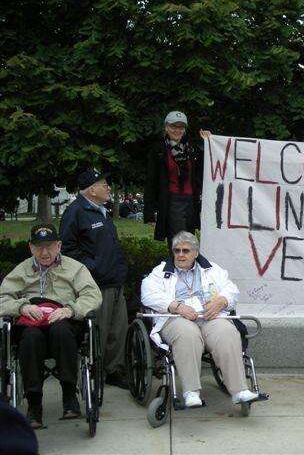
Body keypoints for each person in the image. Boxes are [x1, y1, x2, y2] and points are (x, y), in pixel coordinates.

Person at [140, 231, 259, 407]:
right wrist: (176, 306)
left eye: (186, 251)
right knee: (187, 334)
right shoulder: (161, 272)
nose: (181, 255)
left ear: (196, 253)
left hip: (209, 317)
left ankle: (239, 390)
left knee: (227, 332)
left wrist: (221, 300)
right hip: (176, 318)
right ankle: (191, 392)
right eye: (177, 250)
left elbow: (232, 289)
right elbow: (148, 294)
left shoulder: (212, 269)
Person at [0, 224, 102, 429]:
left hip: (64, 320)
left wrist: (71, 310)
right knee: (30, 338)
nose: (44, 252)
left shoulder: (75, 268)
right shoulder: (21, 270)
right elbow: (3, 298)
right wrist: (22, 307)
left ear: (59, 246)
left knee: (61, 331)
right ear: (31, 248)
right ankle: (34, 404)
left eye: (49, 246)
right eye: (39, 247)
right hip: (31, 322)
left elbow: (92, 295)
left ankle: (69, 395)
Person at [59, 168, 129, 389]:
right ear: (91, 190)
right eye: (104, 185)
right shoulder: (75, 212)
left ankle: (114, 370)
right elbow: (67, 250)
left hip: (115, 279)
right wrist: (93, 268)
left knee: (118, 330)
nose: (108, 188)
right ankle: (96, 371)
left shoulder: (100, 210)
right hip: (96, 283)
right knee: (100, 330)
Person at [144, 111, 209, 251]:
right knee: (179, 241)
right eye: (173, 126)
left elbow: (206, 167)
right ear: (166, 127)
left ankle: (186, 265)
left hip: (190, 202)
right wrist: (149, 212)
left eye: (181, 127)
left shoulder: (191, 149)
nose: (177, 130)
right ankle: (178, 264)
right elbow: (151, 181)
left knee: (190, 240)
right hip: (171, 201)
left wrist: (208, 142)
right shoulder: (159, 150)